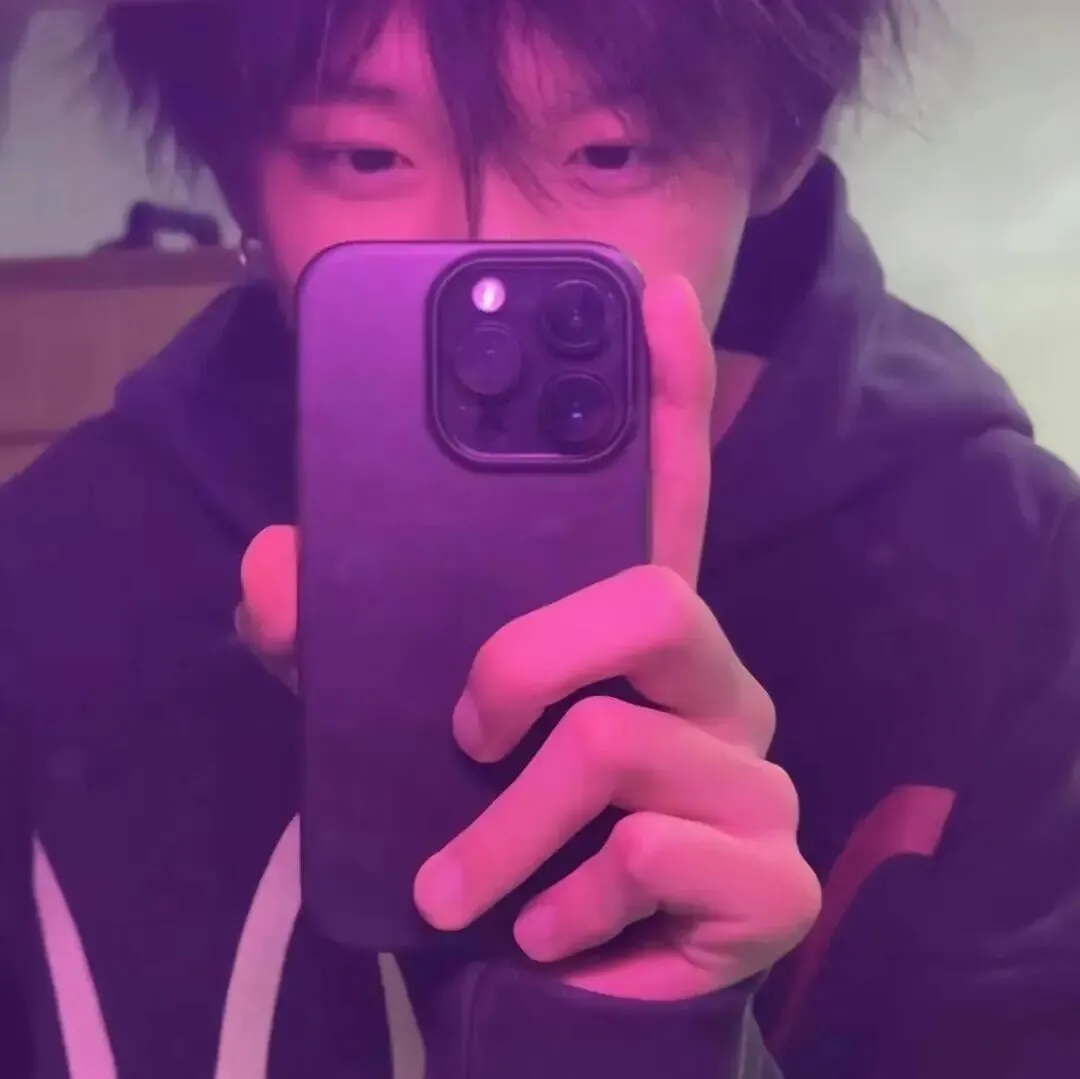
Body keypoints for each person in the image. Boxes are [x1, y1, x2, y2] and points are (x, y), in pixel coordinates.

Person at [1, 0, 1078, 1076]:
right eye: (363, 155)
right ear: (240, 179)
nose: (489, 254)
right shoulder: (55, 571)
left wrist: (644, 1031)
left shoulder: (1011, 573)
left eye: (611, 151)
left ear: (780, 142)